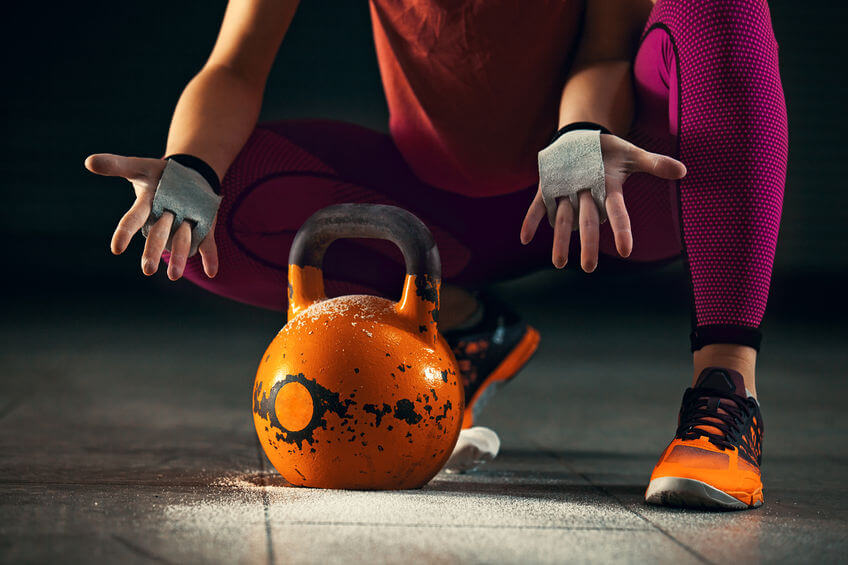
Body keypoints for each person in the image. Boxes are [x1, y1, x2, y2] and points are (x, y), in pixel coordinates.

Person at [85, 0, 787, 510]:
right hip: (446, 219)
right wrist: (192, 168)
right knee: (213, 209)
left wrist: (580, 132)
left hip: (618, 187)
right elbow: (233, 65)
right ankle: (458, 324)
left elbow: (606, 50)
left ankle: (725, 396)